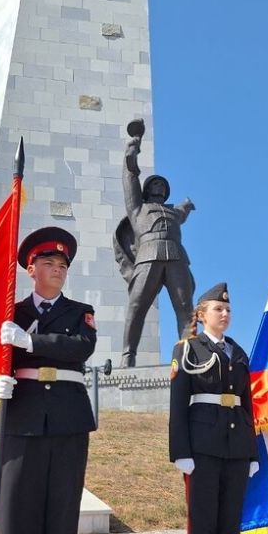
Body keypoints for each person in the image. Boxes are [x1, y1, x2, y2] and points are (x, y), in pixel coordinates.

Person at [0, 227, 98, 534]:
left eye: (62, 265)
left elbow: (80, 347)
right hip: (22, 416)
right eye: (49, 263)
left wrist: (31, 343)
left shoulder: (80, 311)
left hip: (68, 421)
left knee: (61, 517)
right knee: (17, 516)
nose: (57, 270)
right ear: (31, 268)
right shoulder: (9, 313)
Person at [169, 283, 260, 534]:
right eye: (218, 309)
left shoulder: (237, 352)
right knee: (204, 527)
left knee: (228, 528)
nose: (224, 314)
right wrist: (181, 451)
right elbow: (179, 403)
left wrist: (251, 453)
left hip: (235, 448)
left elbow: (247, 406)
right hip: (202, 448)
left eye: (228, 310)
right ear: (201, 314)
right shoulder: (188, 349)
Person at [116, 118, 196, 367]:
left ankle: (189, 355)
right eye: (156, 183)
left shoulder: (174, 212)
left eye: (163, 184)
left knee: (185, 306)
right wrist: (134, 146)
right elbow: (130, 175)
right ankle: (128, 356)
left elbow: (183, 210)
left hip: (176, 258)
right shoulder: (138, 208)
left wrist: (187, 205)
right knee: (137, 306)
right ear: (148, 189)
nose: (160, 186)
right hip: (148, 257)